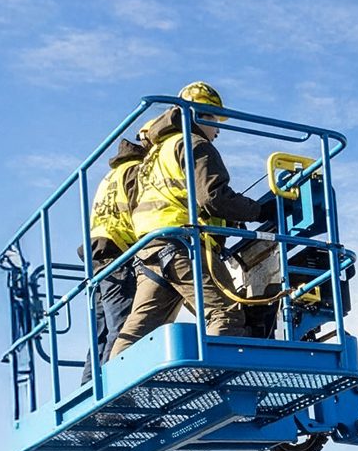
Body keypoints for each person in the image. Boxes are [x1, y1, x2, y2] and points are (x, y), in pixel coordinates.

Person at [108, 82, 273, 359]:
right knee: (226, 317)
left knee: (136, 335)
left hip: (150, 248)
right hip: (182, 246)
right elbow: (213, 197)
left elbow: (178, 197)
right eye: (215, 120)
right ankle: (216, 382)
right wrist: (259, 211)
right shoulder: (195, 144)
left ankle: (115, 394)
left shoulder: (155, 154)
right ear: (200, 114)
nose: (218, 130)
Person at [80, 135, 147, 381]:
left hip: (97, 257)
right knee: (122, 328)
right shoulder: (135, 173)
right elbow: (143, 214)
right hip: (118, 254)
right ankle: (115, 392)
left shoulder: (110, 177)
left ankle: (89, 392)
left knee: (101, 333)